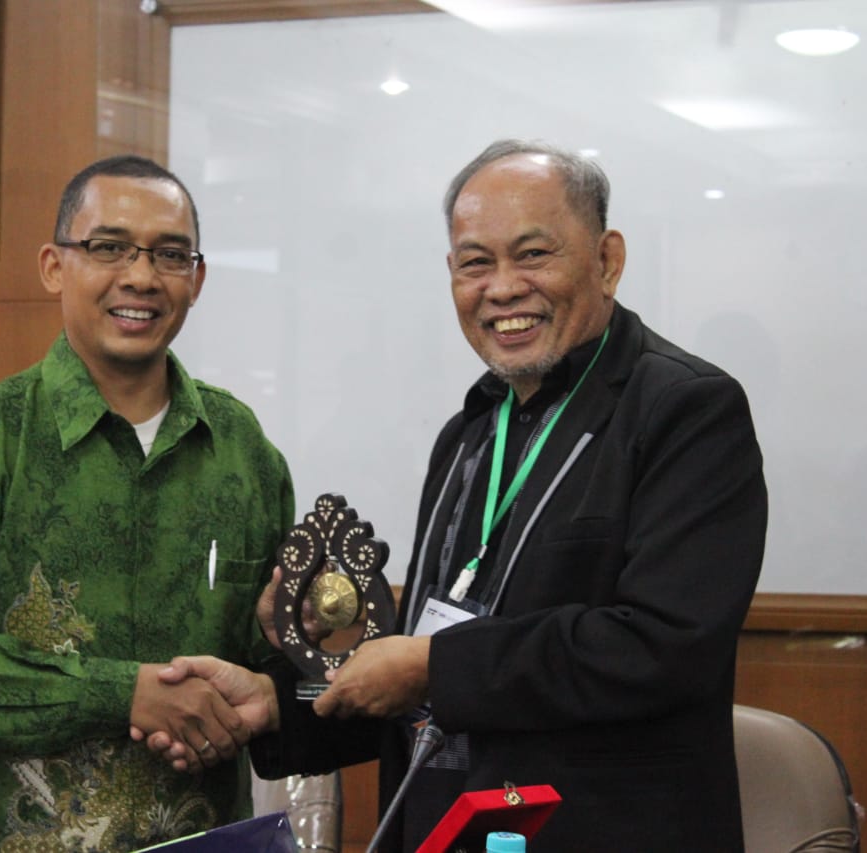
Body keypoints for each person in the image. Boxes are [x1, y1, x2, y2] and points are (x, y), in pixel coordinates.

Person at [140, 139, 768, 852]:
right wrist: (280, 705)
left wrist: (430, 667)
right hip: (446, 830)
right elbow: (426, 671)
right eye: (476, 262)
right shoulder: (468, 434)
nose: (501, 287)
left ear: (607, 260)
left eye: (533, 254)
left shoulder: (686, 411)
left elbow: (659, 647)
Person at [0, 154, 294, 851]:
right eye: (109, 247)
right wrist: (122, 693)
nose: (140, 276)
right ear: (53, 266)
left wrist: (283, 647)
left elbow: (267, 661)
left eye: (169, 254)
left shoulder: (243, 449)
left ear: (197, 278)